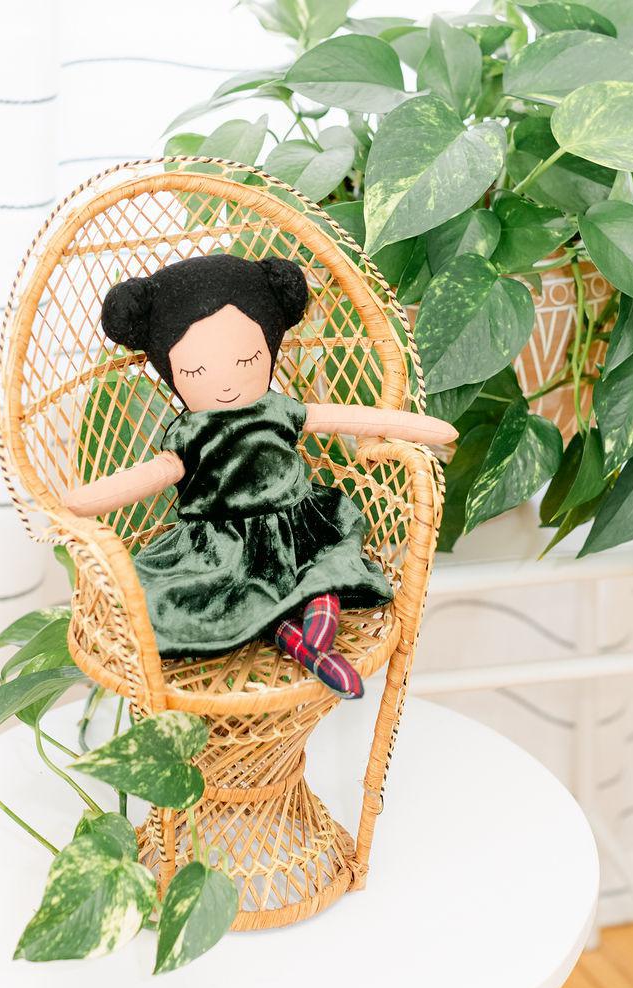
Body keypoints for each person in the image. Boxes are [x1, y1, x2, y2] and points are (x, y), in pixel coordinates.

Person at [63, 253, 456, 698]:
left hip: (300, 523)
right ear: (171, 371)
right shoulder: (192, 432)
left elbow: (341, 415)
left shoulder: (278, 408)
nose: (227, 383)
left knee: (325, 564)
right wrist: (87, 499)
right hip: (221, 542)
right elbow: (158, 473)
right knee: (235, 595)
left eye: (249, 359)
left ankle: (313, 618)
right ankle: (303, 643)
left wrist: (420, 429)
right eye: (195, 372)